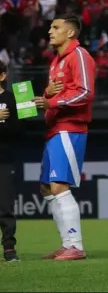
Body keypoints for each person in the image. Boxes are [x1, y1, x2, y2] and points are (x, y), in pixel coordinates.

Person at [31, 16, 94, 261]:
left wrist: (52, 102)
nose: (50, 31)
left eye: (55, 27)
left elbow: (85, 92)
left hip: (70, 127)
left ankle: (75, 245)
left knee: (58, 185)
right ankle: (66, 243)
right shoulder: (56, 61)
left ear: (70, 33)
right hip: (55, 128)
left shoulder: (78, 55)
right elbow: (56, 95)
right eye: (50, 27)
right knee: (46, 187)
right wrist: (46, 95)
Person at [0, 59, 25, 262]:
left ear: (2, 76)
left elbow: (20, 130)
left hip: (4, 159)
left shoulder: (11, 98)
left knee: (5, 205)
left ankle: (9, 248)